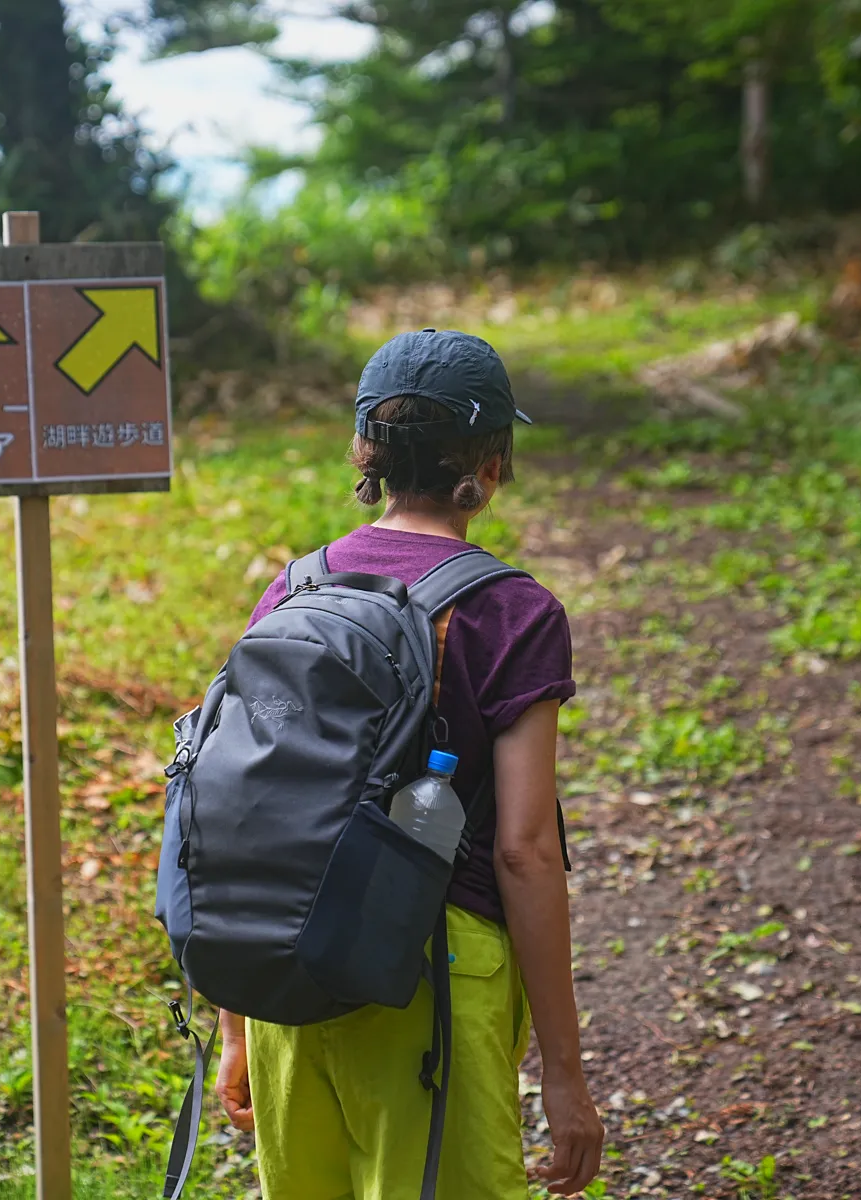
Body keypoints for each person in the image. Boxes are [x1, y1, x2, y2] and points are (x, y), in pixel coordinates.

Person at [210, 329, 605, 1198]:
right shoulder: (513, 610)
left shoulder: (294, 588)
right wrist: (568, 1079)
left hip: (288, 976)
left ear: (368, 455)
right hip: (430, 987)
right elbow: (524, 850)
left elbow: (243, 806)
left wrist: (237, 1030)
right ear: (492, 461)